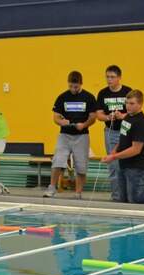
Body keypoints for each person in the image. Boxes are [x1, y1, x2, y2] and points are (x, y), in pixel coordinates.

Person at [43, 71, 97, 199]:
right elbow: (56, 117)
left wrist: (84, 125)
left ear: (81, 84)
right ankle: (52, 187)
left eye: (76, 87)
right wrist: (62, 122)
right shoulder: (62, 97)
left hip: (82, 135)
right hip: (64, 135)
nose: (73, 89)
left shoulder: (89, 97)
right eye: (71, 86)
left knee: (81, 164)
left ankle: (78, 193)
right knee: (58, 160)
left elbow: (93, 117)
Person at [96, 65, 132, 201]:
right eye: (107, 77)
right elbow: (99, 114)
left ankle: (129, 195)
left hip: (126, 131)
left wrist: (122, 116)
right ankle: (117, 197)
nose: (109, 80)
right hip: (111, 131)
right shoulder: (102, 93)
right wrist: (107, 117)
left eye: (112, 77)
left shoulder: (128, 91)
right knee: (114, 165)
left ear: (119, 78)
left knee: (127, 163)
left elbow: (133, 111)